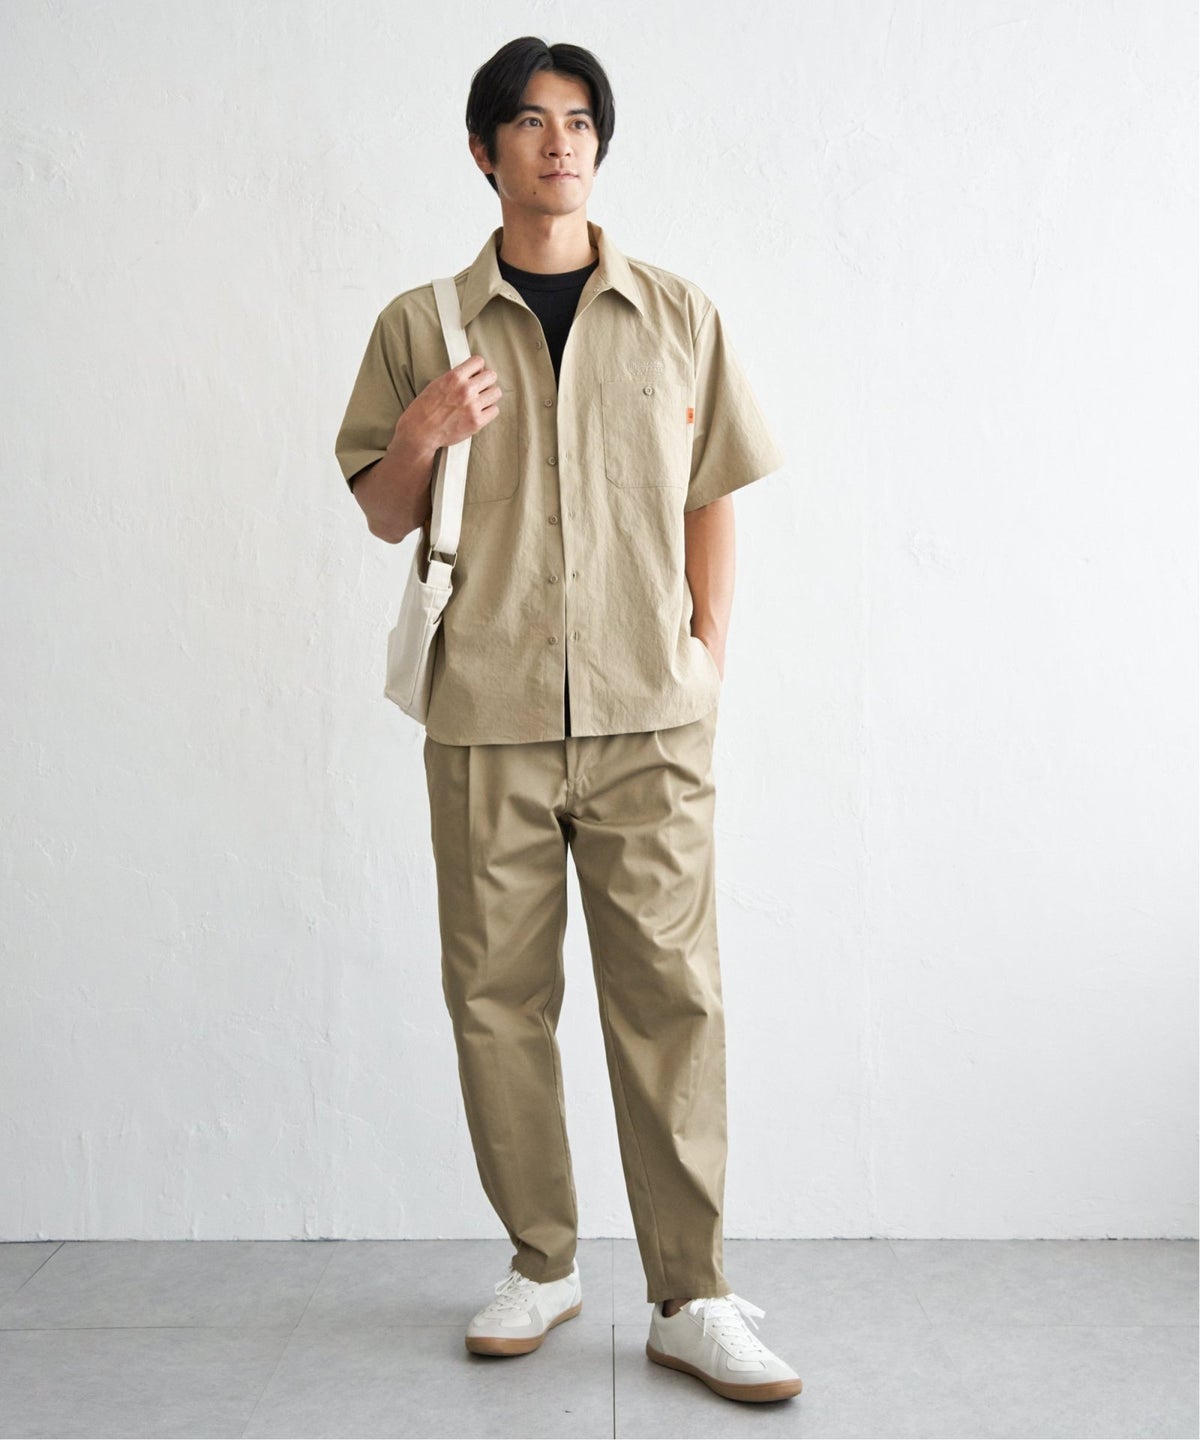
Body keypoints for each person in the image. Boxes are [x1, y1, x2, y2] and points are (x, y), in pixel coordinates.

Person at [334, 36, 801, 1405]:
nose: (561, 143)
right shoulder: (421, 324)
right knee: (495, 1001)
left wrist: (707, 660)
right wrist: (422, 431)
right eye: (533, 122)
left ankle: (692, 1294)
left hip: (651, 715)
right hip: (485, 714)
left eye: (582, 121)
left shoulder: (676, 313)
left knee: (674, 999)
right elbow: (382, 512)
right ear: (484, 151)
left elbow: (713, 493)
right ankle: (541, 1262)